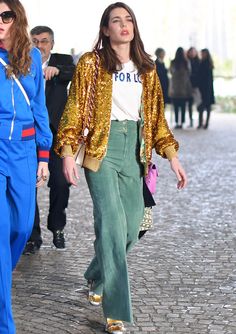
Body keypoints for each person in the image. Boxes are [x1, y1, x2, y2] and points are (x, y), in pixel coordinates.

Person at [55, 2, 187, 333]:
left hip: (136, 151)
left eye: (128, 19)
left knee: (132, 229)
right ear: (105, 29)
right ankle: (115, 312)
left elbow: (157, 120)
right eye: (116, 21)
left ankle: (95, 276)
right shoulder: (91, 63)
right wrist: (68, 153)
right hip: (102, 149)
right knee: (112, 225)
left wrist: (173, 157)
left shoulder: (147, 67)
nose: (123, 25)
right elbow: (74, 110)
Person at [0, 1, 52, 332]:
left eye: (5, 15)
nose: (0, 22)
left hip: (24, 151)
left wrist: (44, 155)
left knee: (21, 226)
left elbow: (39, 106)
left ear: (16, 18)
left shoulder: (31, 57)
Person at [23, 26, 75, 254]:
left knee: (61, 184)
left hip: (57, 135)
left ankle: (57, 227)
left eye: (44, 41)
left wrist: (56, 70)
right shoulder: (23, 63)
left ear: (52, 44)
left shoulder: (61, 60)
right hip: (29, 137)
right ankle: (32, 237)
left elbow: (73, 71)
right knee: (28, 187)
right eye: (34, 41)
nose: (39, 46)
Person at [169, 47, 192, 129]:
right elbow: (189, 72)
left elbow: (170, 72)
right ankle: (181, 122)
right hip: (184, 87)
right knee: (182, 106)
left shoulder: (173, 62)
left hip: (175, 87)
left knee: (176, 106)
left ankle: (176, 122)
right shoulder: (186, 62)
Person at [197, 48, 215, 129]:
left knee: (207, 106)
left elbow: (209, 78)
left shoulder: (208, 64)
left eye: (203, 53)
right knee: (201, 106)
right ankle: (201, 123)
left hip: (208, 88)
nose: (202, 55)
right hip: (202, 88)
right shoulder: (201, 63)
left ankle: (206, 123)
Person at [186, 47, 200, 127]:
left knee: (198, 103)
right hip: (188, 85)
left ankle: (200, 121)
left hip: (196, 85)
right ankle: (191, 121)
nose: (192, 53)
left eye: (193, 52)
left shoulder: (198, 61)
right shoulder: (186, 61)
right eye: (190, 52)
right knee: (190, 104)